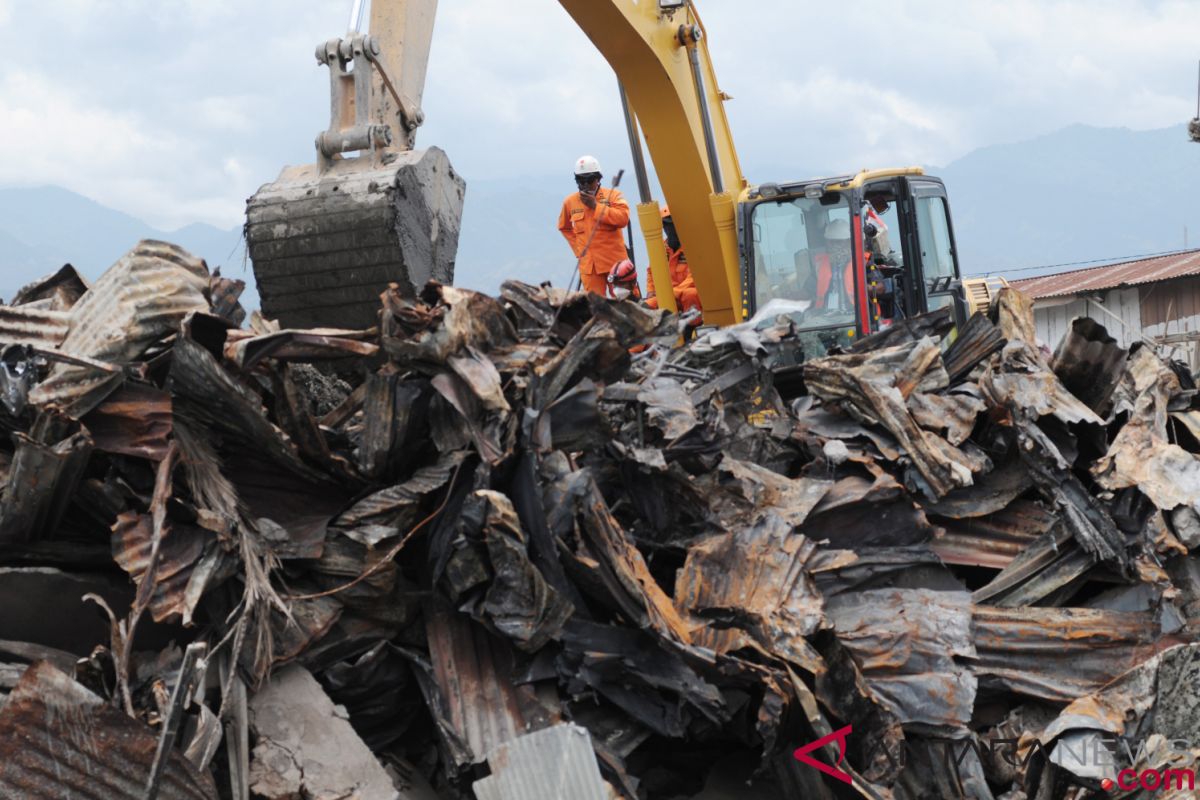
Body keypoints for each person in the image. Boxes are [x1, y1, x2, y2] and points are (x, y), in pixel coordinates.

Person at [557, 155, 631, 296]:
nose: (585, 185)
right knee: (595, 306)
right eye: (580, 181)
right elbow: (564, 227)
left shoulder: (614, 196)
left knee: (626, 301)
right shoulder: (570, 202)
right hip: (590, 267)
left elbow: (623, 218)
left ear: (598, 179)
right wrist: (579, 250)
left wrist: (596, 206)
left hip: (615, 263)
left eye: (589, 180)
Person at [645, 206, 702, 323]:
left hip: (686, 293)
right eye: (666, 225)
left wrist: (672, 294)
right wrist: (651, 290)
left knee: (690, 294)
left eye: (673, 224)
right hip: (667, 294)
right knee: (646, 305)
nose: (670, 229)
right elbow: (652, 271)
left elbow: (695, 277)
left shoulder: (694, 247)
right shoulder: (661, 248)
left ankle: (691, 329)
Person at [806, 218, 855, 311]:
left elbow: (879, 287)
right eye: (831, 241)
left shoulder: (862, 263)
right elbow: (808, 289)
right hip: (826, 318)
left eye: (839, 241)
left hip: (856, 314)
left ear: (849, 241)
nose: (834, 245)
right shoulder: (820, 265)